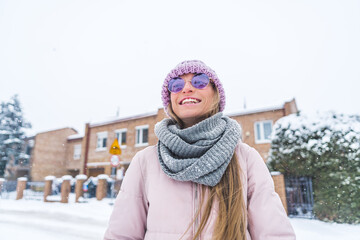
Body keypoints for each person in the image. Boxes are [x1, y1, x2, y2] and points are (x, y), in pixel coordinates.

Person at [104, 60, 296, 240]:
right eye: (176, 85)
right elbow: (121, 235)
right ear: (170, 100)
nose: (187, 88)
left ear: (216, 94)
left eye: (199, 81)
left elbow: (274, 234)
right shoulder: (145, 161)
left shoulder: (246, 158)